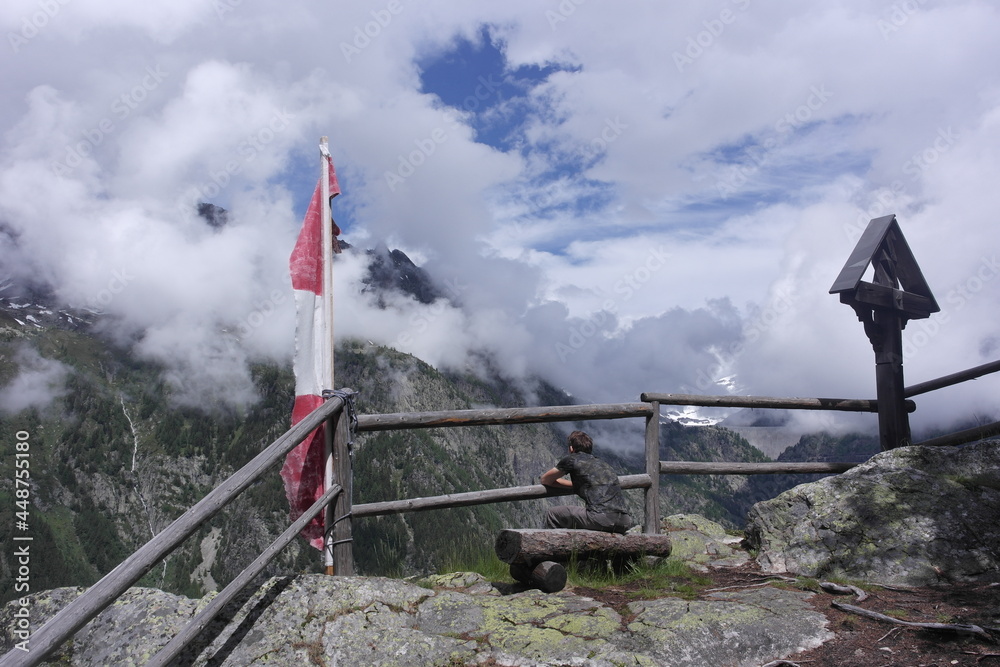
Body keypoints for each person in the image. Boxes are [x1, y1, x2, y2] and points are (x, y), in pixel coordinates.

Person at [540, 430, 633, 534]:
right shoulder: (603, 463)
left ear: (571, 448)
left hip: (601, 518)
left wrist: (572, 485)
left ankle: (554, 547)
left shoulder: (572, 459)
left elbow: (545, 480)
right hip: (625, 520)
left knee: (552, 514)